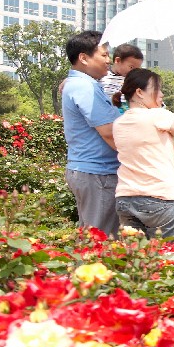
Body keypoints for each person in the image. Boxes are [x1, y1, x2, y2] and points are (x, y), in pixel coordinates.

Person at [113, 69, 174, 239]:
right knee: (170, 258)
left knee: (137, 260)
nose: (162, 94)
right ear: (139, 92)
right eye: (157, 89)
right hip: (161, 199)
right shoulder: (158, 115)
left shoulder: (118, 122)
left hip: (126, 198)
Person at [61, 31, 122, 236]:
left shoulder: (84, 84)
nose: (108, 60)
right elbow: (108, 132)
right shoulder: (84, 86)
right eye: (103, 55)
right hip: (98, 173)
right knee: (99, 240)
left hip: (94, 172)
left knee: (95, 236)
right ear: (84, 58)